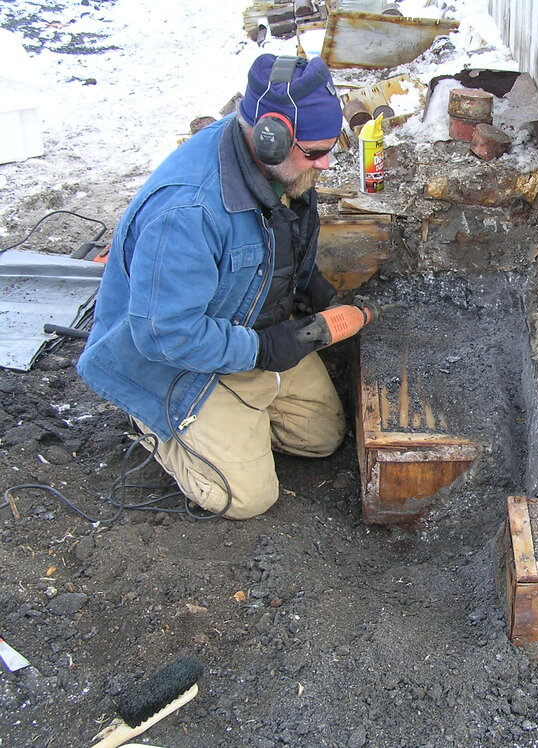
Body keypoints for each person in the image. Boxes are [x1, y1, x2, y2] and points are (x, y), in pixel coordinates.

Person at [78, 54, 349, 519]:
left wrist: (312, 288)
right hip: (171, 363)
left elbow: (282, 234)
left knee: (321, 438)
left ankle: (236, 422)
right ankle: (158, 422)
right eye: (315, 152)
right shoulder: (187, 213)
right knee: (246, 498)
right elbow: (166, 335)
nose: (325, 164)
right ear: (270, 137)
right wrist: (264, 351)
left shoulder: (280, 165)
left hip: (240, 327)